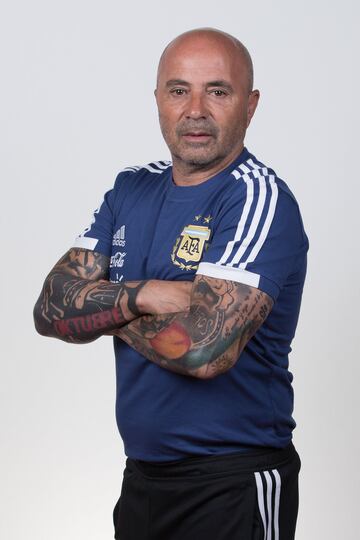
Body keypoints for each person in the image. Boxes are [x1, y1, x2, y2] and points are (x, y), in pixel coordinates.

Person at [34, 27, 308, 540]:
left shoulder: (257, 199)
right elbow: (49, 309)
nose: (195, 109)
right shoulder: (129, 188)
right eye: (178, 90)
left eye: (218, 91)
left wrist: (104, 311)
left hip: (232, 483)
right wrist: (146, 295)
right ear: (158, 99)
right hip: (141, 480)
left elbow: (205, 350)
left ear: (250, 106)